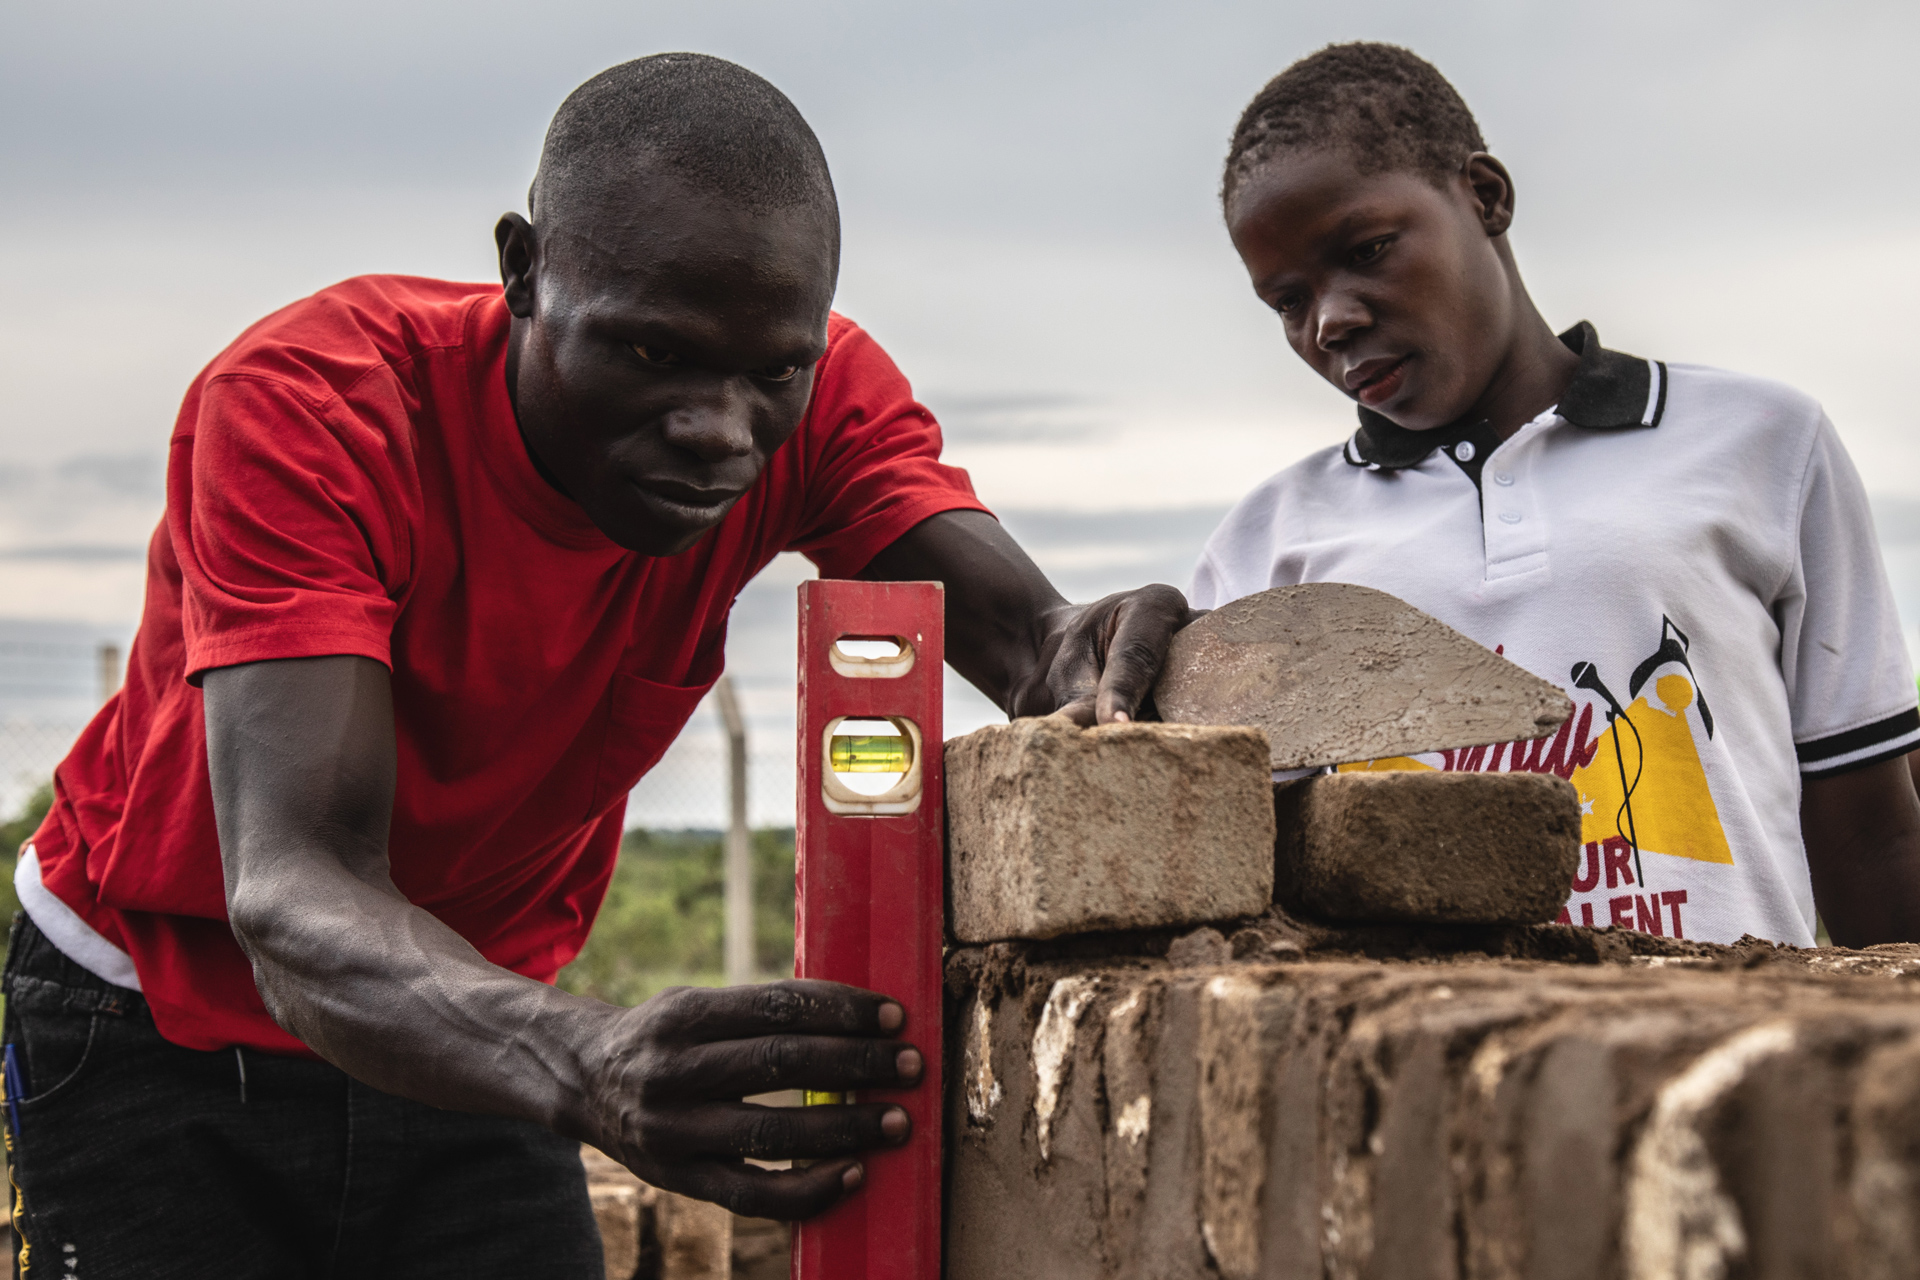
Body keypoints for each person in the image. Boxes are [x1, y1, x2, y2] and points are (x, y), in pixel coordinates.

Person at [3, 54, 1188, 1276]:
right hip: (156, 1014)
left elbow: (1029, 645)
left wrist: (1092, 652)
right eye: (649, 353)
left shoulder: (818, 398)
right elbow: (295, 893)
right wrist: (584, 1058)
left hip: (477, 1024)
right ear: (523, 268)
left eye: (771, 371)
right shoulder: (314, 406)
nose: (720, 427)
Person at [1194, 42, 1920, 949]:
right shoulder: (1269, 539)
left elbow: (1870, 822)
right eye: (1287, 302)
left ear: (1485, 196)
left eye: (1367, 251)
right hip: (1424, 1063)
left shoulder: (1763, 440)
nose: (1330, 321)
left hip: (1731, 1047)